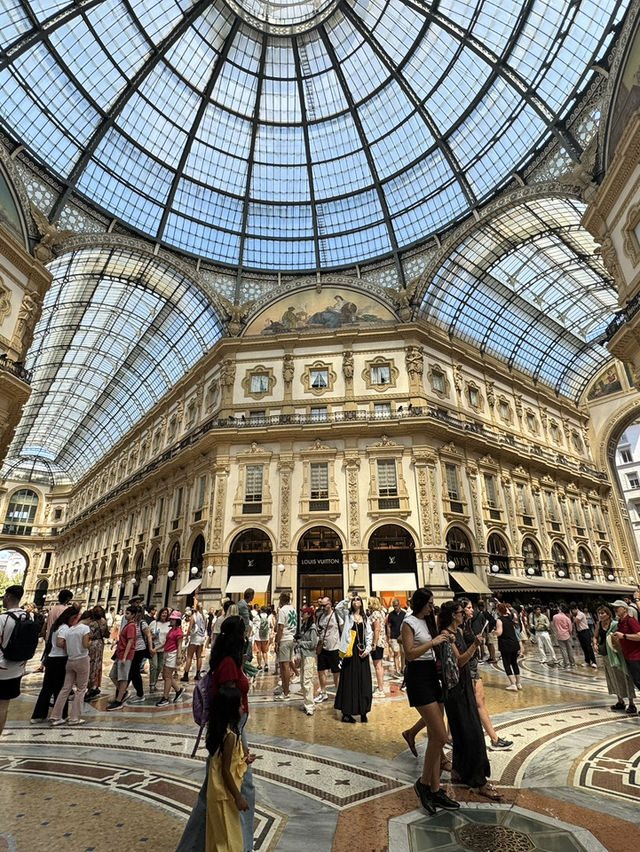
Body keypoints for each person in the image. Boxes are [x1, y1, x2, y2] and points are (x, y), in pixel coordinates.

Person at [176, 616, 255, 852]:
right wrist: (237, 738)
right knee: (242, 787)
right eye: (245, 631)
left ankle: (192, 846)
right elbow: (227, 700)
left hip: (232, 726)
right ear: (238, 636)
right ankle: (244, 845)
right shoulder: (229, 663)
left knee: (212, 788)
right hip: (230, 727)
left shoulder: (229, 660)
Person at [437, 601, 501, 800]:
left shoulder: (457, 632)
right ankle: (479, 780)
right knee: (471, 732)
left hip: (459, 688)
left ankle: (459, 771)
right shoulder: (448, 636)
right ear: (452, 616)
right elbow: (460, 661)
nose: (463, 613)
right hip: (457, 691)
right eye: (459, 612)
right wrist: (475, 645)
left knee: (461, 731)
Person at [400, 588, 454, 815]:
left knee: (435, 736)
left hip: (433, 675)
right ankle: (423, 785)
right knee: (441, 736)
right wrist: (432, 643)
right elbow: (410, 653)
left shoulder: (430, 622)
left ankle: (435, 789)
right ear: (421, 603)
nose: (434, 607)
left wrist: (446, 639)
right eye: (430, 603)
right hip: (418, 677)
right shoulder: (408, 622)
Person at [205, 686, 253, 852]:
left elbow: (230, 761)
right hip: (224, 794)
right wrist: (238, 797)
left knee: (219, 836)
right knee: (228, 840)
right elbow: (225, 770)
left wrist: (245, 759)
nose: (243, 708)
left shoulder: (222, 731)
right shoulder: (230, 736)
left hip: (219, 792)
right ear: (231, 710)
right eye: (240, 705)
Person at [31, 605, 77, 723]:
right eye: (74, 617)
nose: (75, 620)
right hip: (60, 660)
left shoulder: (57, 626)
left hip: (51, 659)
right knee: (61, 688)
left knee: (47, 688)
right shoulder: (64, 628)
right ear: (69, 616)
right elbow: (60, 642)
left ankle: (38, 715)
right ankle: (61, 714)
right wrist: (71, 648)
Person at [334, 593, 372, 723]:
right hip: (350, 652)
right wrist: (347, 599)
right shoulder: (347, 615)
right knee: (349, 681)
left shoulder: (365, 618)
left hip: (363, 652)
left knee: (364, 681)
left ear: (361, 603)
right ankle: (347, 713)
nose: (356, 601)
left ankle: (363, 711)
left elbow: (369, 635)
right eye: (354, 600)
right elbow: (338, 608)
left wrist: (367, 650)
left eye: (358, 599)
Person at [49, 609, 92, 725]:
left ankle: (56, 716)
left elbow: (66, 647)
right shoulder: (85, 629)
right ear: (88, 619)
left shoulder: (70, 629)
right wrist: (90, 642)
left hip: (70, 660)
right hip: (82, 660)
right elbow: (85, 645)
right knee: (81, 689)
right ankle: (74, 718)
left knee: (65, 688)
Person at [594, 604, 636, 714]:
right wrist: (595, 644)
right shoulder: (599, 624)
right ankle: (620, 700)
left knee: (624, 676)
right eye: (599, 613)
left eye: (603, 613)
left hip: (617, 654)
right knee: (612, 677)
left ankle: (631, 703)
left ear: (608, 614)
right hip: (606, 654)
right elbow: (595, 636)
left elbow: (621, 636)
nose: (601, 615)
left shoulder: (615, 624)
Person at [0, 585, 28, 734]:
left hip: (0, 667)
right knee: (3, 707)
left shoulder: (3, 619)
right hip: (16, 669)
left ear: (8, 597)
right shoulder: (27, 617)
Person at [107, 605, 137, 710]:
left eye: (128, 613)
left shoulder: (132, 626)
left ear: (133, 615)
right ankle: (123, 692)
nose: (125, 615)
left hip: (125, 655)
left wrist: (125, 657)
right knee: (113, 675)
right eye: (126, 613)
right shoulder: (127, 625)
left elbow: (130, 641)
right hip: (120, 653)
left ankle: (119, 701)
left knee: (123, 678)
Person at [155, 610, 185, 706]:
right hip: (167, 653)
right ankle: (178, 689)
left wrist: (179, 657)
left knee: (167, 676)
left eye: (173, 619)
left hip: (173, 654)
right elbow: (166, 643)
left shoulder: (179, 632)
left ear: (177, 621)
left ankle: (165, 697)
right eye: (171, 619)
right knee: (165, 675)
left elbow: (179, 646)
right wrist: (156, 649)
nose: (171, 620)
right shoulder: (171, 630)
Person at [315, 597, 341, 703]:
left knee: (336, 672)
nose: (323, 607)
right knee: (321, 670)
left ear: (330, 604)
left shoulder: (336, 616)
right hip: (323, 647)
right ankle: (323, 692)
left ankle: (339, 694)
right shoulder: (320, 616)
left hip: (334, 647)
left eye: (325, 605)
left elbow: (343, 629)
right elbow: (317, 629)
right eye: (321, 605)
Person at [612, 599, 640, 691]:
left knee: (638, 680)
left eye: (617, 607)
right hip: (627, 656)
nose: (615, 609)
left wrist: (624, 636)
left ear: (624, 609)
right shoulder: (620, 623)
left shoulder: (631, 621)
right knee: (636, 681)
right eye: (614, 608)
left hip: (636, 656)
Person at [273, 592, 297, 701]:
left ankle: (286, 693)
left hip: (285, 639)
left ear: (282, 600)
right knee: (286, 665)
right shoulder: (293, 609)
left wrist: (277, 642)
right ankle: (285, 688)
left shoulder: (282, 610)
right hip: (291, 638)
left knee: (284, 667)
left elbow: (281, 628)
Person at [127, 606, 151, 702]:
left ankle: (140, 694)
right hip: (131, 650)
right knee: (131, 671)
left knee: (134, 671)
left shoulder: (142, 624)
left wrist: (150, 648)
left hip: (139, 650)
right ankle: (122, 692)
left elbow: (148, 635)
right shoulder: (131, 623)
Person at [297, 607, 318, 716]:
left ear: (309, 615)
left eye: (304, 612)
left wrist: (301, 643)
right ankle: (307, 703)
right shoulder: (304, 626)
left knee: (307, 680)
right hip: (303, 655)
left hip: (309, 656)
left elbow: (313, 644)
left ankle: (310, 705)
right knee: (303, 680)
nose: (302, 614)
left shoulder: (312, 628)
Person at [495, 602, 521, 691]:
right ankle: (518, 683)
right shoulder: (510, 617)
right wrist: (500, 604)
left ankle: (513, 684)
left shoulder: (499, 620)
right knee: (514, 663)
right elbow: (509, 611)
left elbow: (499, 632)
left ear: (498, 610)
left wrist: (494, 633)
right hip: (514, 643)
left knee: (506, 663)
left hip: (506, 644)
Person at [85, 605, 109, 700]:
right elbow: (106, 634)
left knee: (91, 664)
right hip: (100, 643)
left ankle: (91, 687)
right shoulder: (104, 621)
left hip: (93, 644)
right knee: (97, 664)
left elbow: (89, 635)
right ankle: (96, 685)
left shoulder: (92, 624)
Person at [182, 601, 207, 682]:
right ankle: (198, 674)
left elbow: (190, 626)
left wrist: (186, 636)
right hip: (202, 637)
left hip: (195, 637)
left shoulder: (194, 616)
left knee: (189, 656)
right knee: (199, 656)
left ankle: (186, 674)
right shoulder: (204, 616)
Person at [368, 596, 387, 698]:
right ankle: (380, 688)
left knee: (378, 666)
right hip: (381, 641)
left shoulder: (375, 614)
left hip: (377, 642)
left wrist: (374, 643)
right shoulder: (380, 613)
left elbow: (377, 629)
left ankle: (380, 689)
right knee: (379, 665)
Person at [148, 606, 171, 692]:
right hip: (154, 647)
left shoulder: (169, 624)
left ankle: (154, 682)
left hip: (163, 648)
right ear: (160, 613)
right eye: (163, 613)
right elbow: (148, 635)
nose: (164, 614)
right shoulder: (154, 623)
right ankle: (151, 685)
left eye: (166, 613)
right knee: (154, 665)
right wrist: (152, 637)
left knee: (160, 666)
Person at [571, 602, 597, 668]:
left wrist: (573, 616)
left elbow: (575, 621)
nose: (572, 612)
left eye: (572, 610)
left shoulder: (580, 614)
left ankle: (594, 662)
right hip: (580, 632)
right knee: (584, 647)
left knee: (589, 647)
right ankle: (587, 661)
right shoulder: (576, 614)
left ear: (575, 609)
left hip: (585, 632)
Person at [386, 598, 406, 677]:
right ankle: (397, 669)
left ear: (400, 605)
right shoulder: (391, 614)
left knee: (403, 653)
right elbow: (388, 626)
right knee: (396, 653)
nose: (395, 607)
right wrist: (389, 637)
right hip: (394, 636)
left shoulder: (404, 614)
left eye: (396, 606)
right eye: (394, 606)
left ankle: (403, 669)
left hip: (403, 636)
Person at [236, 588, 254, 662]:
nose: (253, 597)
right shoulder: (242, 605)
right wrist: (245, 633)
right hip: (242, 633)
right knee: (242, 654)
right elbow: (245, 620)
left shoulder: (243, 604)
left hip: (243, 633)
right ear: (250, 596)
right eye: (253, 595)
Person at [255, 607, 270, 672]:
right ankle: (266, 664)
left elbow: (254, 625)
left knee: (259, 651)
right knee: (265, 651)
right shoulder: (269, 617)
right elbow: (271, 626)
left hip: (258, 636)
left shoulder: (257, 617)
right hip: (266, 636)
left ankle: (259, 665)